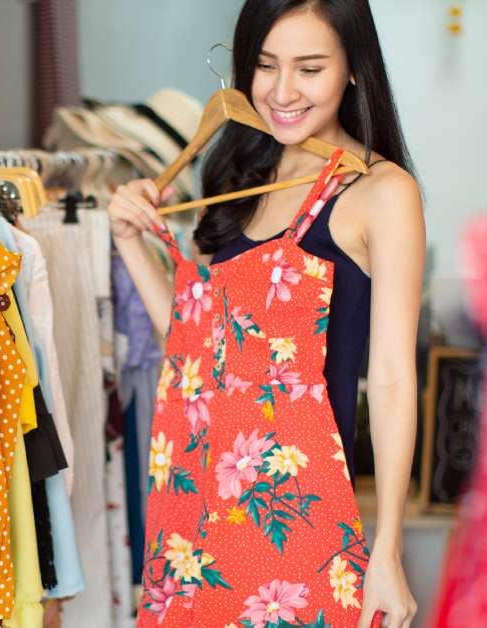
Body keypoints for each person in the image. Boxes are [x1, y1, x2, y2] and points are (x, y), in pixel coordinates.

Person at [109, 1, 423, 627]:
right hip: (191, 525)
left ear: (354, 69)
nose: (281, 92)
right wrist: (127, 242)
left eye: (309, 69)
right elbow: (196, 354)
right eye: (265, 65)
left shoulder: (379, 193)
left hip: (297, 529)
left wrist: (386, 548)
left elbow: (390, 379)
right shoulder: (237, 175)